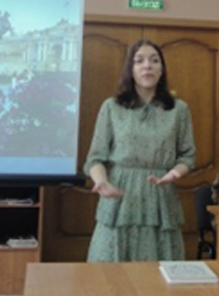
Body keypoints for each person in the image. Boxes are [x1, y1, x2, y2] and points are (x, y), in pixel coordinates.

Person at [84, 38, 196, 262]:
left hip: (161, 197)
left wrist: (173, 175)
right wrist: (102, 181)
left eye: (154, 61)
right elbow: (95, 158)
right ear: (131, 69)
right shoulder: (112, 107)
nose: (147, 66)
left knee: (159, 270)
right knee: (110, 269)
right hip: (120, 195)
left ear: (162, 69)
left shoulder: (178, 109)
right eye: (140, 61)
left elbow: (188, 156)